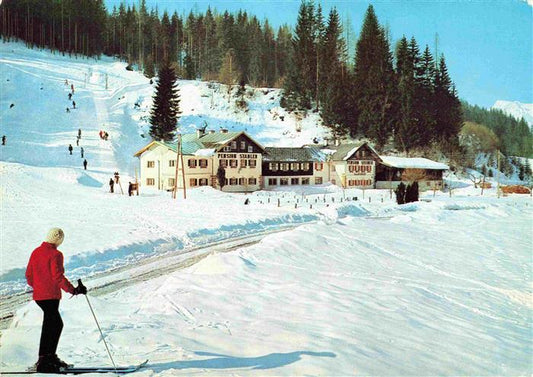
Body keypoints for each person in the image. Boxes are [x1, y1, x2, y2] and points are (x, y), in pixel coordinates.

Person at [26, 228, 87, 373]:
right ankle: (45, 360)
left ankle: (47, 358)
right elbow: (58, 277)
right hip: (50, 296)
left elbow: (29, 275)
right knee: (55, 324)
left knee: (51, 324)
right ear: (59, 240)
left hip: (40, 296)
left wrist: (39, 285)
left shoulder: (36, 251)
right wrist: (74, 290)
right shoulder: (56, 254)